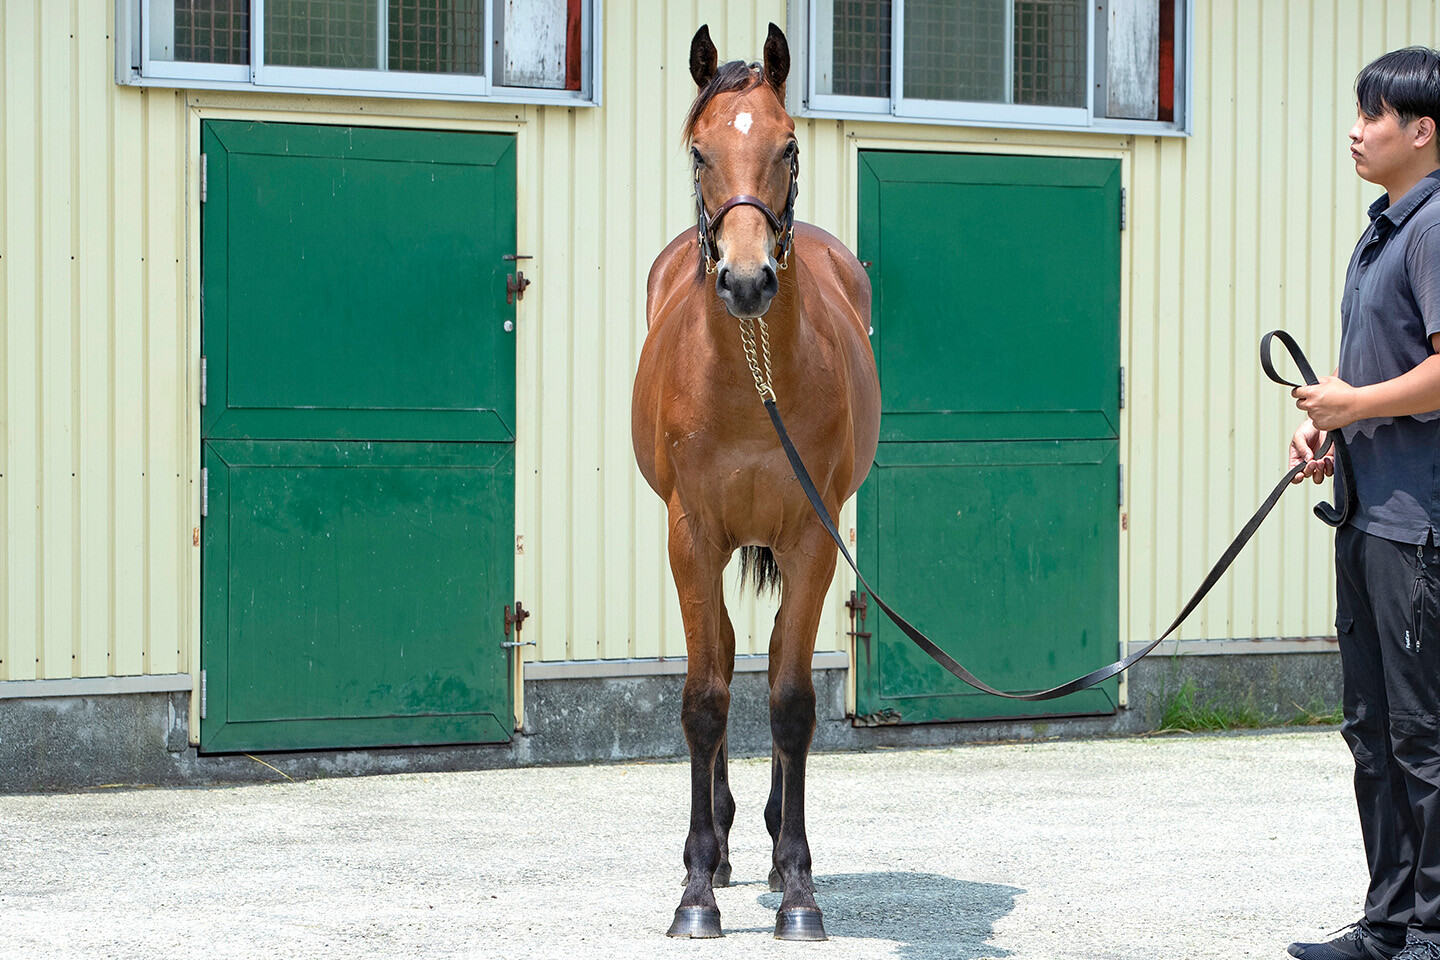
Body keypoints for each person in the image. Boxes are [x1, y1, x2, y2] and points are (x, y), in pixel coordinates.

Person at [1286, 47, 1440, 960]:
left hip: (1416, 526)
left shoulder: (1433, 227)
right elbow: (1393, 377)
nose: (1356, 129)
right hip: (1365, 512)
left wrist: (1353, 405)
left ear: (1422, 131)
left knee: (1424, 737)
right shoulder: (1382, 228)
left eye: (1373, 115)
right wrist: (1332, 430)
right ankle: (1387, 925)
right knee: (1371, 730)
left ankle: (1431, 931)